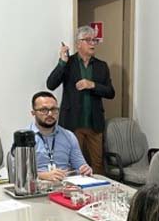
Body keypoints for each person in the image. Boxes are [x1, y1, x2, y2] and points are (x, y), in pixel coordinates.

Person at [46, 25, 114, 174]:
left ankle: (96, 193)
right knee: (71, 163)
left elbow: (110, 92)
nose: (92, 44)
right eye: (88, 40)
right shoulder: (68, 63)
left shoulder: (101, 66)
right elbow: (50, 84)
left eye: (94, 40)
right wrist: (62, 62)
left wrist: (93, 85)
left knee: (97, 164)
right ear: (78, 43)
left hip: (94, 124)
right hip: (72, 123)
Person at [28, 91, 93, 182]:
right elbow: (16, 172)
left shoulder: (69, 136)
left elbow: (80, 165)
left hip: (65, 185)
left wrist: (85, 169)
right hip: (37, 185)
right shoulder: (24, 139)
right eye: (44, 110)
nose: (50, 114)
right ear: (33, 113)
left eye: (54, 109)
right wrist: (43, 175)